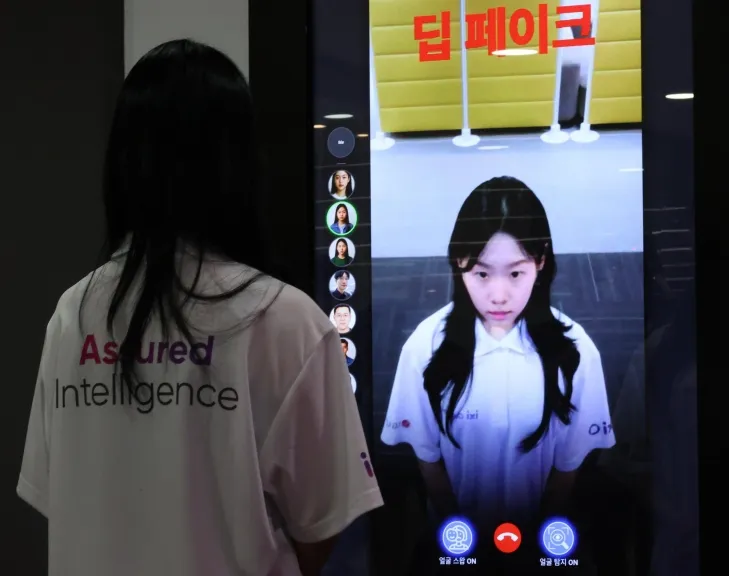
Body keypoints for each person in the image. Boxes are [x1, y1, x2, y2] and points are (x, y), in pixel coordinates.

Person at [17, 39, 383, 576]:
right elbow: (322, 524)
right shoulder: (286, 322)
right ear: (240, 164)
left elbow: (61, 497)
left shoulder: (73, 314)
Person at [380, 177, 614, 539]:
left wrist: (536, 541)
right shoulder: (424, 347)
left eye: (516, 272)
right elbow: (428, 461)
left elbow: (567, 468)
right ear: (459, 263)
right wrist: (461, 537)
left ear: (540, 262)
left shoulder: (577, 350)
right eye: (482, 273)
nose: (499, 295)